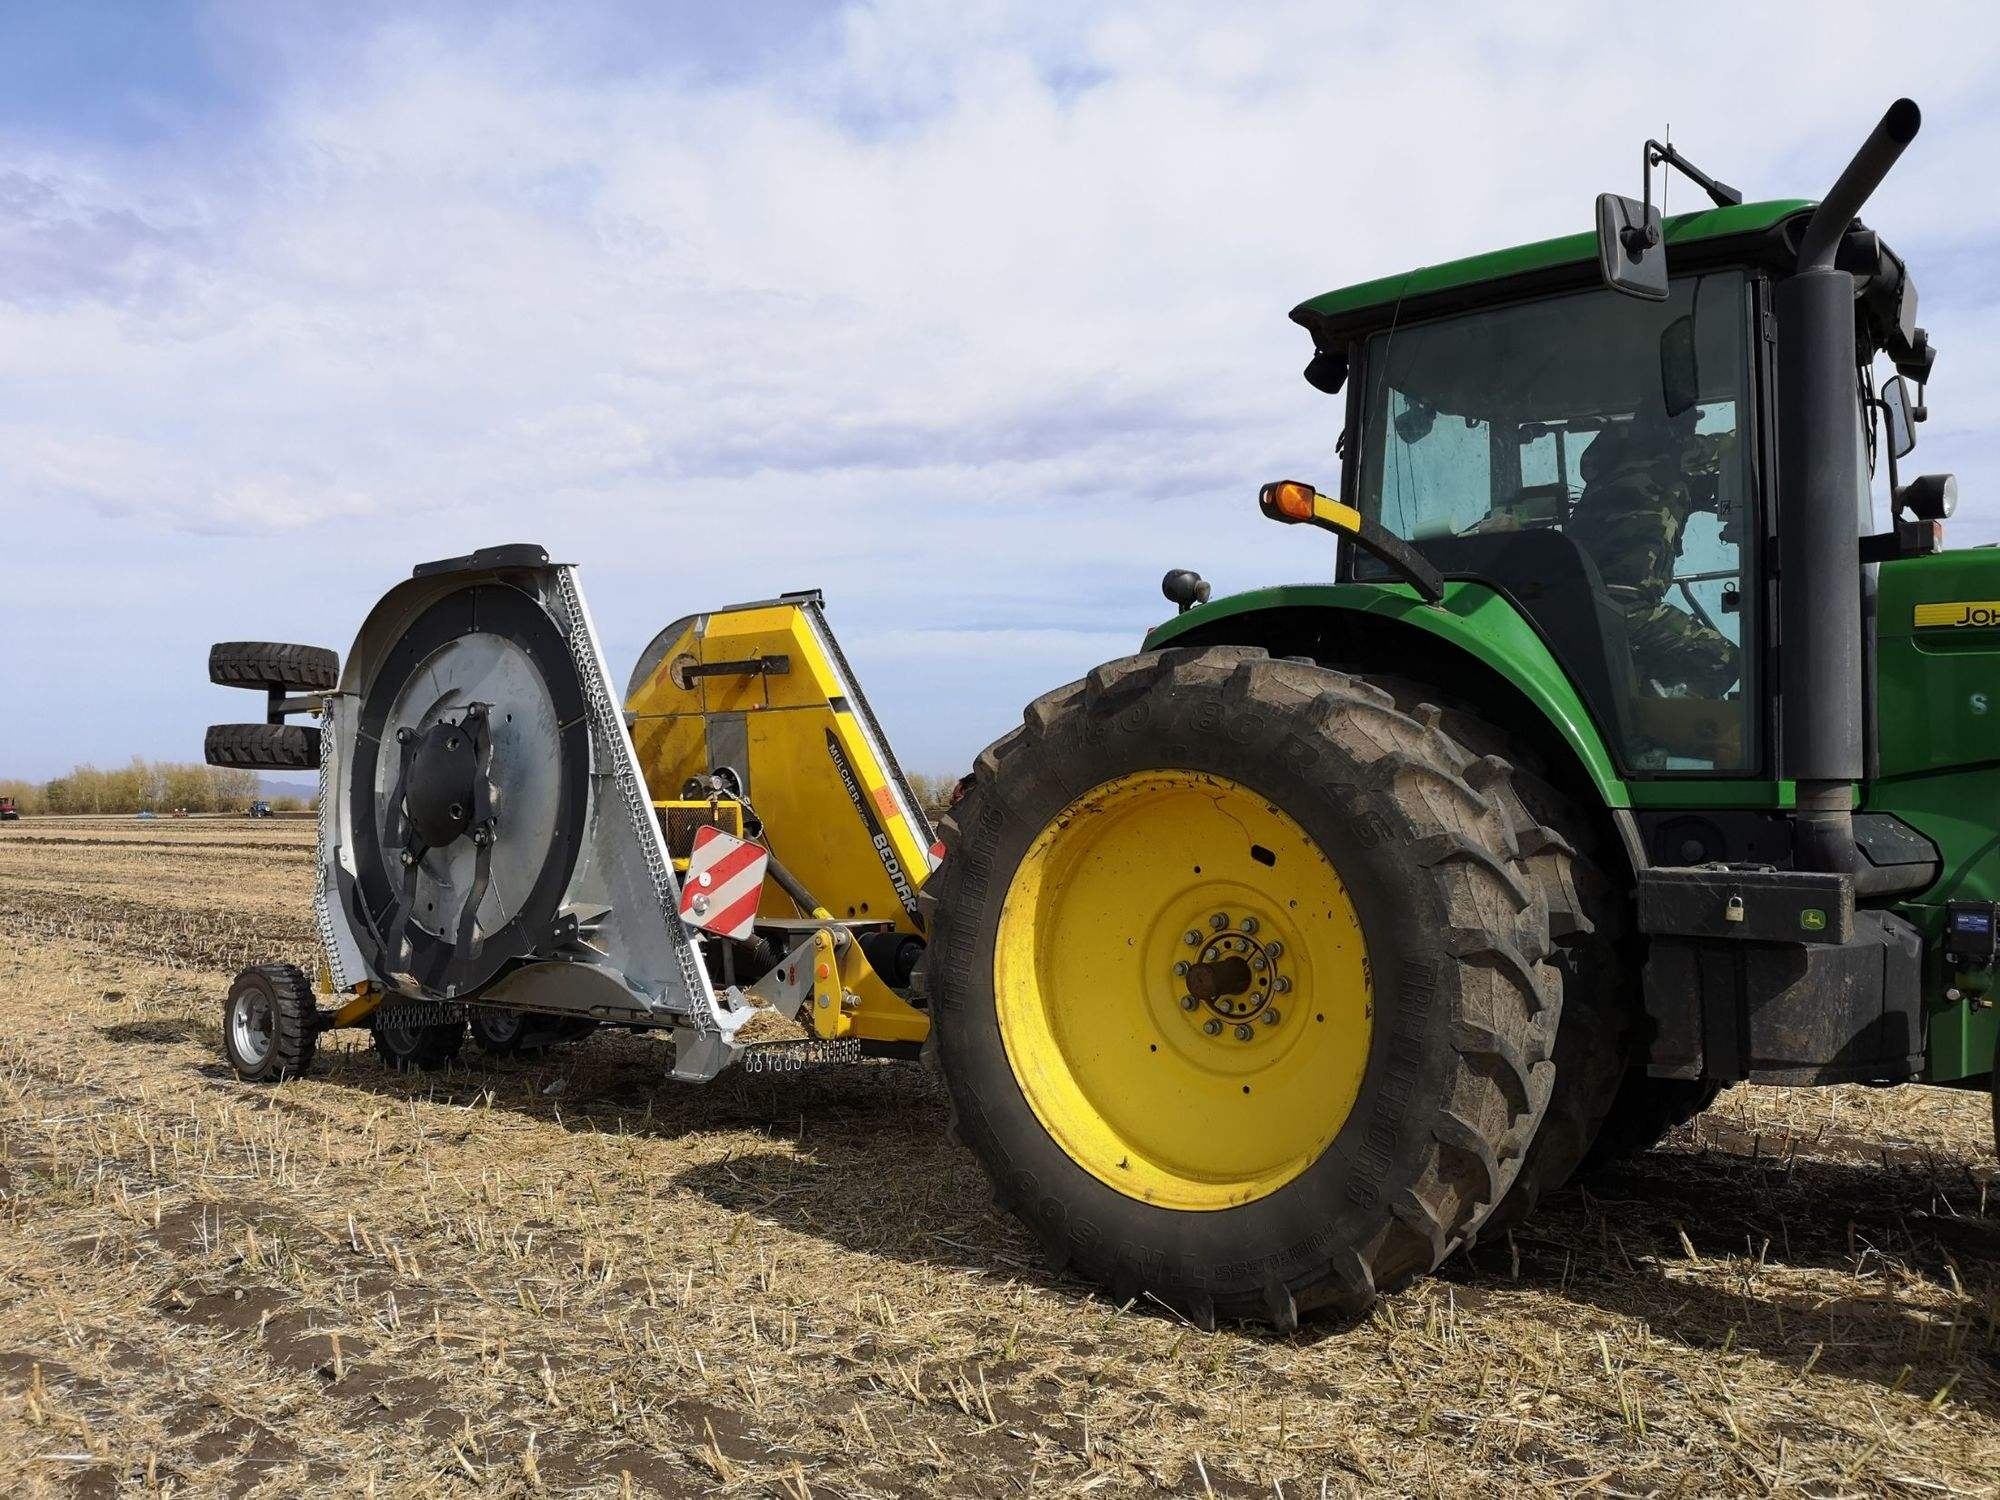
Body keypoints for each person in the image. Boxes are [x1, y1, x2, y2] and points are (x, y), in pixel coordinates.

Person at [1567, 409, 1740, 698]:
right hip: (1626, 607)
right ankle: (1669, 724)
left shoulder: (1611, 472)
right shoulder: (1675, 457)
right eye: (1688, 423)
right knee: (1724, 660)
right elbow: (1732, 445)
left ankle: (1652, 705)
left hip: (1583, 602)